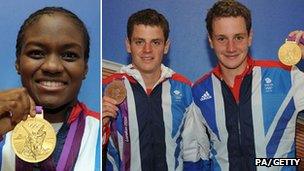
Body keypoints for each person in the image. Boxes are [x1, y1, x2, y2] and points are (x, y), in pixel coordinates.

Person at [189, 0, 304, 170]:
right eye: (222, 38)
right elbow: (199, 156)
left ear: (250, 37)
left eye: (238, 37)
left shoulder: (286, 77)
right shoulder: (199, 91)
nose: (231, 47)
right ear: (211, 41)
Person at [102, 8, 209, 171]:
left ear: (166, 46)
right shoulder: (106, 89)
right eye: (139, 42)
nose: (147, 50)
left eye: (155, 42)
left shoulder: (184, 88)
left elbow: (192, 152)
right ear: (128, 45)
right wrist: (99, 128)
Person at [0, 7, 100, 170]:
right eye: (37, 53)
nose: (52, 67)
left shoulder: (102, 132)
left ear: (85, 69)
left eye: (69, 55)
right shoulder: (1, 127)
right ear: (18, 63)